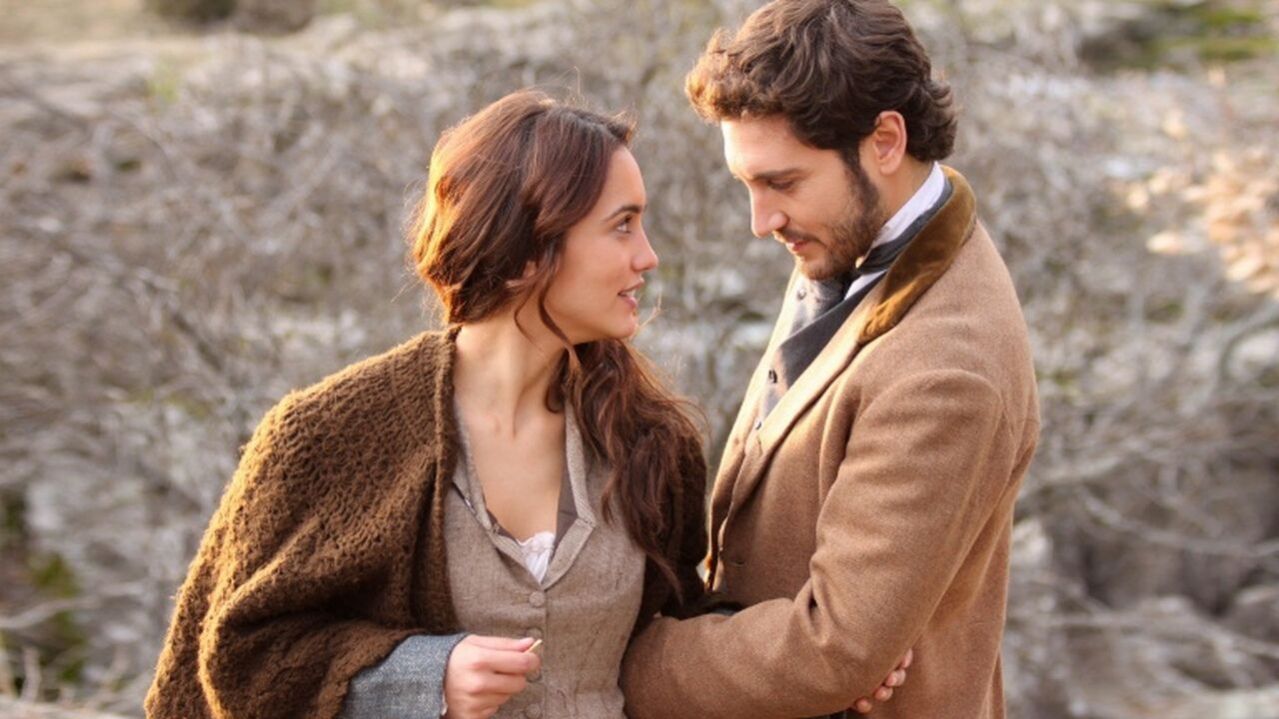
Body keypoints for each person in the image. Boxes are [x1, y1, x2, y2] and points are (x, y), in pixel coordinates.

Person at [143, 89, 905, 719]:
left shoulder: (649, 441)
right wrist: (421, 677)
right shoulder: (332, 433)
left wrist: (820, 677)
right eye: (621, 225)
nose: (647, 256)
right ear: (524, 249)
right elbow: (240, 657)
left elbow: (671, 640)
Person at [620, 1, 1041, 718]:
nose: (761, 222)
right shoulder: (857, 236)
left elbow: (835, 648)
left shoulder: (946, 370)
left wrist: (619, 658)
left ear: (885, 141)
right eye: (747, 185)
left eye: (781, 183)